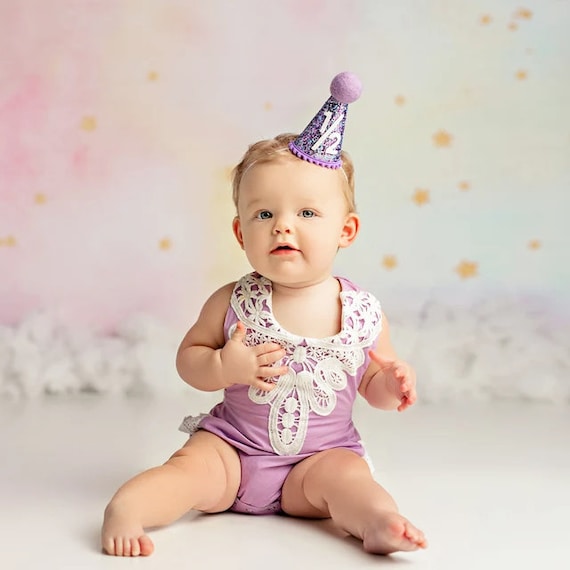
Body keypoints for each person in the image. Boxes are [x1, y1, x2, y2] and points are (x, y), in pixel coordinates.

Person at [101, 73, 427, 557]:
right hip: (231, 452)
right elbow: (188, 359)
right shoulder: (233, 301)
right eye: (264, 214)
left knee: (349, 480)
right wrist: (222, 367)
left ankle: (378, 522)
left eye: (308, 214)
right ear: (240, 232)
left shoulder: (361, 312)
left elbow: (371, 385)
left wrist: (393, 381)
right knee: (188, 471)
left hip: (314, 465)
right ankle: (129, 508)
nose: (284, 227)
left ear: (347, 230)